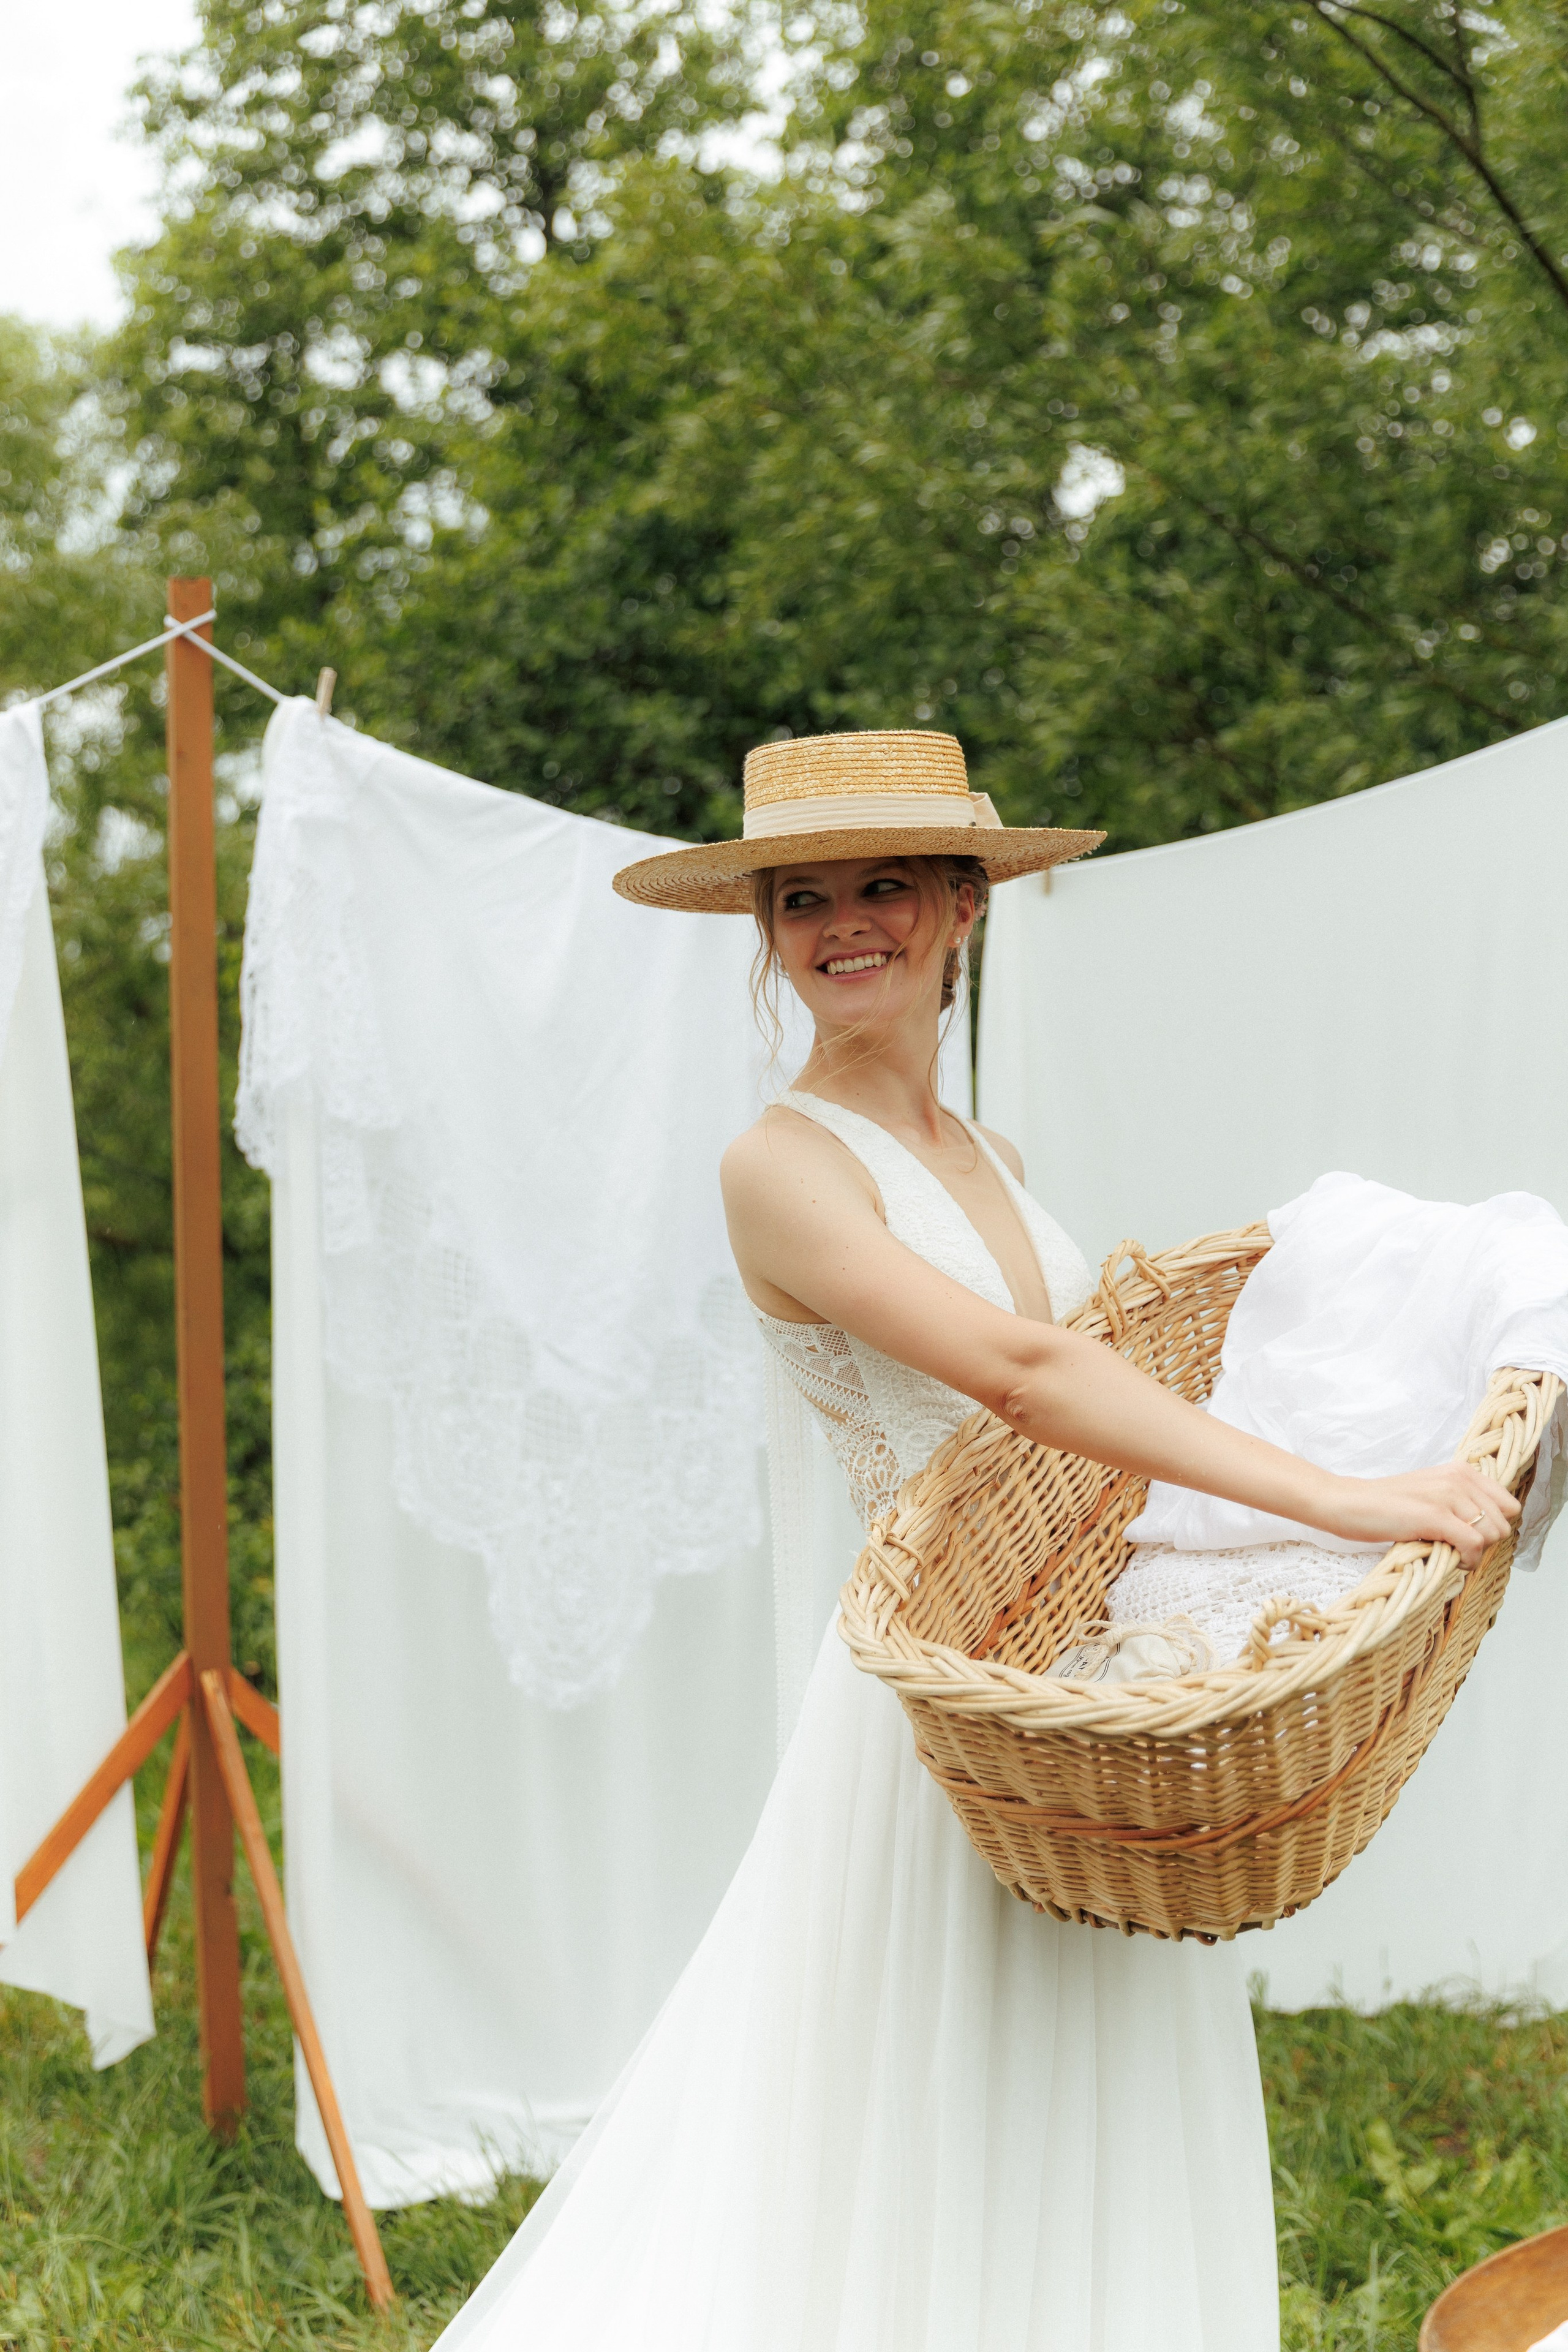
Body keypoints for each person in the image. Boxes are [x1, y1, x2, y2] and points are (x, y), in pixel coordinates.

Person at [434, 730, 1513, 2351]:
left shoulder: (991, 1156)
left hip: (1081, 1687)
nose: (842, 925)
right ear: (770, 934)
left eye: (883, 887)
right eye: (804, 900)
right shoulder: (780, 1167)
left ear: (961, 910)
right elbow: (1028, 1374)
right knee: (922, 2093)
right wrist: (1347, 1497)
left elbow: (1103, 1399)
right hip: (926, 1701)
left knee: (1097, 2043)